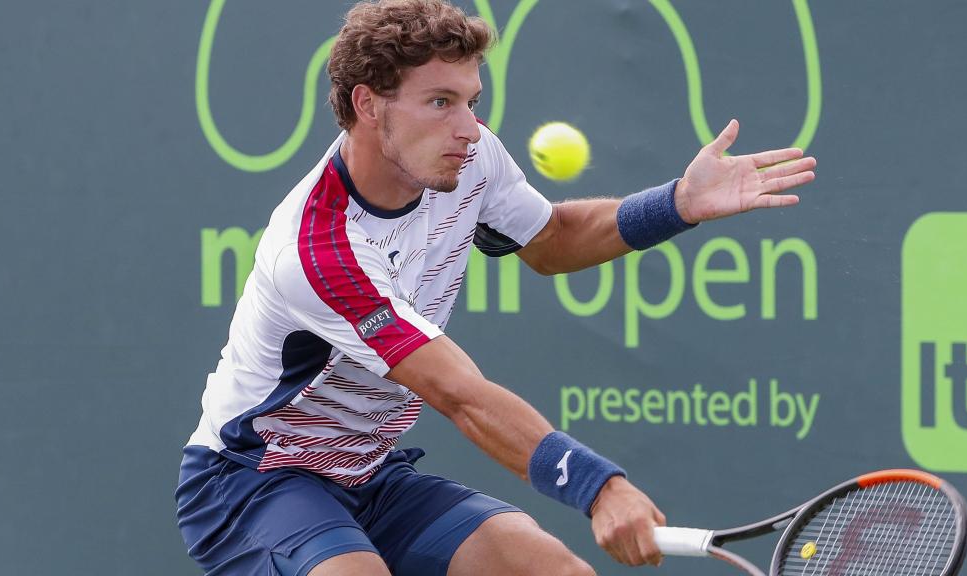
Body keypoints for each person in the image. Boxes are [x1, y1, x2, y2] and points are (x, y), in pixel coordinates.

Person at [175, 1, 817, 574]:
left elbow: (554, 240)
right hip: (254, 479)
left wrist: (678, 203)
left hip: (370, 472)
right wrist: (598, 488)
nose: (468, 126)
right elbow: (461, 396)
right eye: (439, 102)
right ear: (368, 104)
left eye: (470, 100)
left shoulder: (471, 156)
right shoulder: (320, 252)